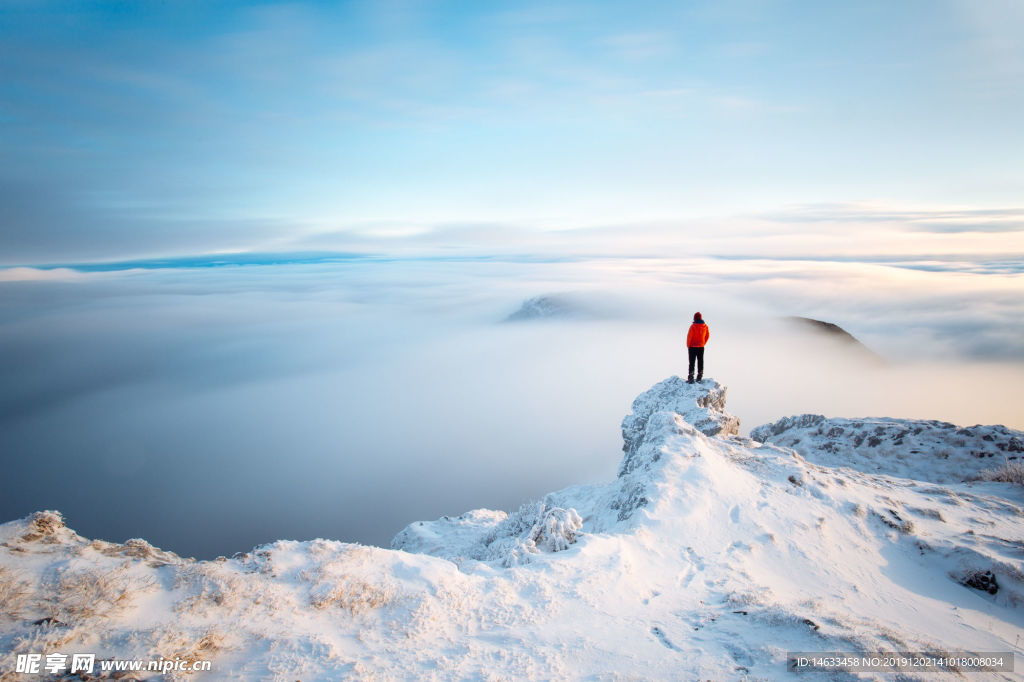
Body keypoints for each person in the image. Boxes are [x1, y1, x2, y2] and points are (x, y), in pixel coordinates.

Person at [686, 312, 709, 383]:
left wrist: (688, 345)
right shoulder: (705, 326)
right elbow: (707, 336)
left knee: (692, 362)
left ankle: (691, 376)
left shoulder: (693, 326)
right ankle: (700, 375)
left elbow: (689, 336)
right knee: (700, 360)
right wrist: (703, 343)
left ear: (695, 318)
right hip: (701, 347)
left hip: (692, 346)